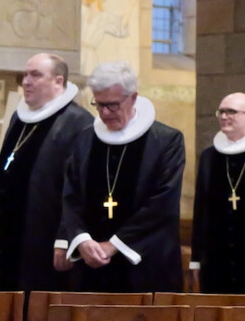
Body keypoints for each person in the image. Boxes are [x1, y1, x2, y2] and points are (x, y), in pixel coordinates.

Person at [60, 61, 184, 292]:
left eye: (113, 105)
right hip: (91, 266)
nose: (104, 113)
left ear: (133, 97)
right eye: (99, 104)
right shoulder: (84, 140)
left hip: (146, 266)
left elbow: (163, 203)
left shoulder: (167, 141)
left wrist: (114, 244)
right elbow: (70, 196)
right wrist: (82, 240)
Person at [0, 53, 93, 292]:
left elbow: (80, 188)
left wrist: (65, 238)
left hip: (44, 235)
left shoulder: (78, 121)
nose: (26, 81)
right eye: (25, 75)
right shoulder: (19, 117)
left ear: (58, 81)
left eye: (35, 75)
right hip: (7, 233)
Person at [190, 92, 245, 292]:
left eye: (231, 112)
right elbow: (200, 209)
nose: (224, 116)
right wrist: (196, 260)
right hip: (217, 261)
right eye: (221, 111)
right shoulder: (209, 156)